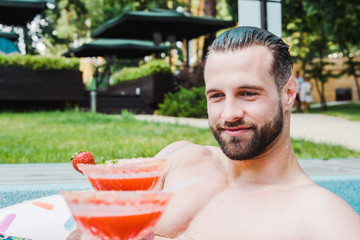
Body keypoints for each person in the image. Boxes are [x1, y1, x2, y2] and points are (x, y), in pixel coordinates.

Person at [67, 26, 360, 240]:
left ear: (289, 94)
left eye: (247, 93)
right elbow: (79, 233)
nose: (229, 113)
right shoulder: (176, 159)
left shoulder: (319, 214)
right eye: (217, 95)